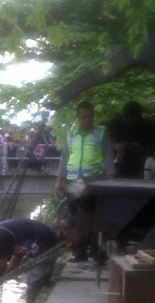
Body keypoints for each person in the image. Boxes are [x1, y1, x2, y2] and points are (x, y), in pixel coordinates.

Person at [55, 100, 113, 263]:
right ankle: (80, 253)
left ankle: (96, 253)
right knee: (76, 219)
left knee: (94, 219)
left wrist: (110, 177)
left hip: (93, 182)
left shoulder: (101, 133)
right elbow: (64, 157)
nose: (87, 120)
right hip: (73, 182)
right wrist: (59, 179)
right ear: (78, 117)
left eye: (90, 117)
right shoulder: (71, 135)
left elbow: (108, 155)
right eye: (84, 117)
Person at [106, 100, 155, 179]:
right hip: (114, 169)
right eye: (127, 120)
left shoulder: (149, 126)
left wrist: (142, 149)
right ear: (123, 116)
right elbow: (103, 146)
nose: (130, 124)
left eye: (133, 121)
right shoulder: (114, 125)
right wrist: (116, 147)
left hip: (139, 169)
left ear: (140, 117)